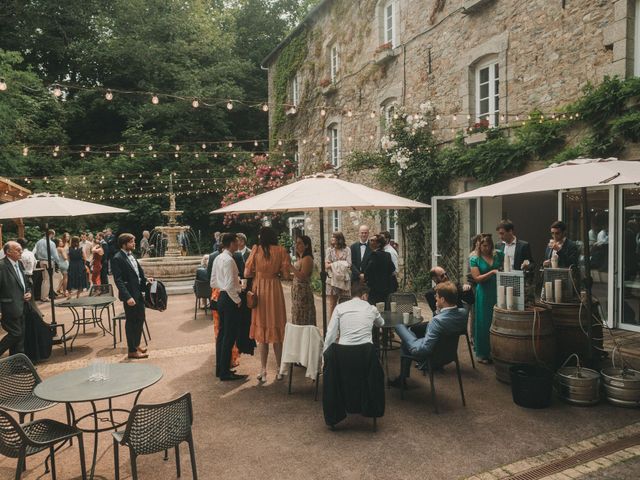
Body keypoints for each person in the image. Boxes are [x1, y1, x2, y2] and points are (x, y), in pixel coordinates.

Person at [389, 281, 469, 386]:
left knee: (399, 325)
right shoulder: (463, 313)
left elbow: (425, 349)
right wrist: (438, 311)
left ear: (443, 299)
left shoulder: (437, 321)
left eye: (437, 296)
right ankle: (402, 378)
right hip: (449, 354)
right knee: (409, 333)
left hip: (428, 354)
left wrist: (436, 316)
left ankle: (402, 379)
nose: (435, 298)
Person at [244, 226, 291, 382]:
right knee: (277, 331)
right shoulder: (281, 250)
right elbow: (285, 274)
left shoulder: (256, 250)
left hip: (260, 290)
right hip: (274, 290)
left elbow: (246, 272)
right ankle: (279, 369)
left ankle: (263, 370)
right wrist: (275, 272)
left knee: (262, 334)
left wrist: (259, 272)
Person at [211, 233, 247, 381]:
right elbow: (230, 285)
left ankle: (220, 369)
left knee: (222, 335)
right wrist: (237, 299)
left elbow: (213, 281)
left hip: (221, 297)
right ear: (231, 243)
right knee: (229, 336)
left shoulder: (218, 258)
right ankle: (225, 372)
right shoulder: (229, 260)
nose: (238, 244)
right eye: (236, 242)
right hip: (229, 299)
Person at [111, 233, 152, 359]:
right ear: (124, 244)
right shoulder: (117, 258)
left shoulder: (131, 254)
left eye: (134, 241)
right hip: (130, 296)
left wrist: (146, 279)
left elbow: (137, 273)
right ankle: (132, 351)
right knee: (131, 321)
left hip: (138, 292)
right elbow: (118, 280)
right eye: (131, 242)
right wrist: (127, 297)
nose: (134, 244)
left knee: (140, 318)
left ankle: (136, 344)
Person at [470, 233, 503, 364]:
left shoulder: (498, 254)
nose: (486, 248)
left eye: (489, 245)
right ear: (479, 246)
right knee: (484, 321)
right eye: (484, 246)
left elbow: (506, 267)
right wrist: (492, 272)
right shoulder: (474, 258)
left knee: (498, 321)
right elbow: (477, 279)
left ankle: (497, 351)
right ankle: (483, 352)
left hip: (498, 290)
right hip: (484, 292)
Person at [323, 283, 384, 351]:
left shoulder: (339, 308)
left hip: (344, 352)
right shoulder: (372, 309)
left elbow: (331, 333)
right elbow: (381, 323)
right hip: (366, 353)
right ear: (364, 296)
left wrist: (325, 354)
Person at [0, 241, 32, 356]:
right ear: (8, 252)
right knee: (16, 334)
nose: (21, 251)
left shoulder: (19, 263)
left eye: (21, 249)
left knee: (20, 337)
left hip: (22, 305)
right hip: (8, 307)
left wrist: (28, 292)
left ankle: (17, 364)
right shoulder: (2, 266)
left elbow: (25, 283)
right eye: (17, 250)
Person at [290, 235, 316, 326]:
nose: (296, 245)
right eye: (296, 243)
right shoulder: (299, 258)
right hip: (297, 292)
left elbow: (303, 276)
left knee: (304, 317)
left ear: (306, 245)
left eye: (300, 243)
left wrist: (290, 266)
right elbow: (296, 275)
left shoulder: (307, 258)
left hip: (303, 293)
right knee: (297, 316)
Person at [364, 234, 395, 308]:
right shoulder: (387, 255)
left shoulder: (373, 255)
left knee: (373, 311)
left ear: (378, 244)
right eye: (370, 240)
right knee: (385, 310)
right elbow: (392, 269)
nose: (369, 242)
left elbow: (367, 271)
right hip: (386, 289)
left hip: (374, 290)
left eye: (372, 241)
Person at [326, 231, 351, 317]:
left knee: (344, 303)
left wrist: (333, 264)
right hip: (332, 280)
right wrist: (340, 264)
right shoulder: (329, 250)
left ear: (339, 239)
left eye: (334, 237)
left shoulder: (347, 250)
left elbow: (348, 264)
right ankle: (331, 327)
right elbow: (326, 265)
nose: (332, 239)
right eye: (331, 237)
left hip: (344, 279)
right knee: (332, 305)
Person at [34, 229, 60, 302]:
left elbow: (35, 252)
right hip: (49, 261)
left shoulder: (38, 242)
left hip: (41, 261)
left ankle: (43, 296)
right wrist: (58, 262)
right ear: (51, 234)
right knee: (47, 280)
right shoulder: (51, 243)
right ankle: (44, 297)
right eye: (53, 235)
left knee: (44, 279)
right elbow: (55, 255)